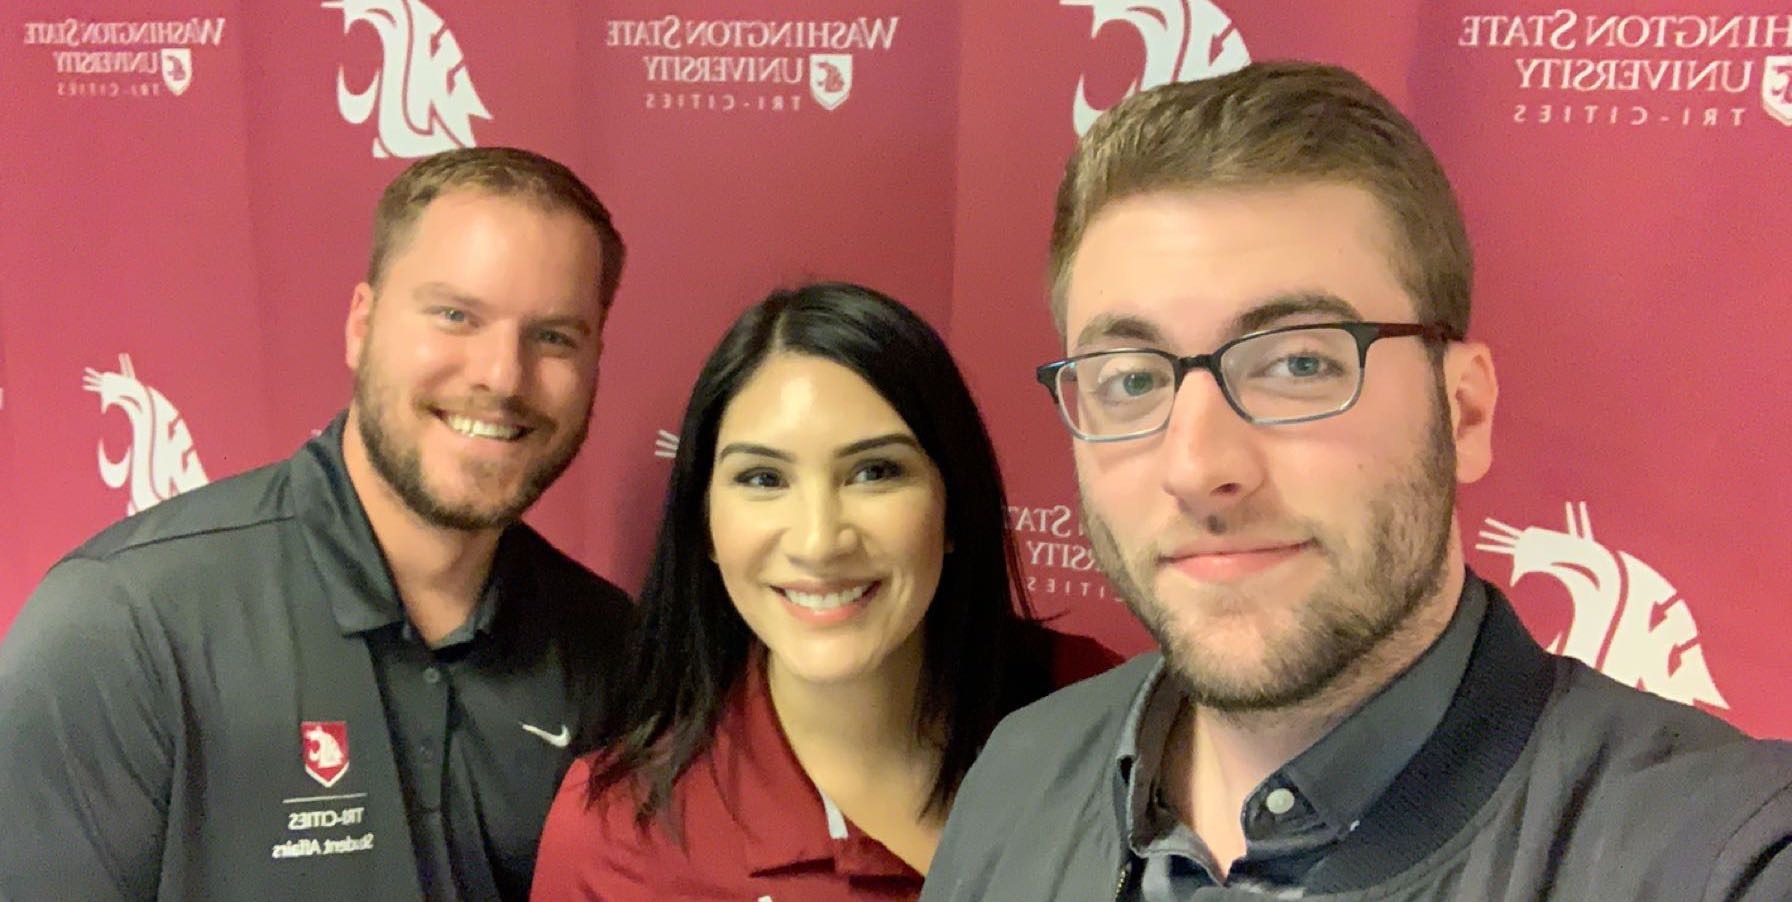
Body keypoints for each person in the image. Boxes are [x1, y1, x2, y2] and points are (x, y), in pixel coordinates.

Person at [921, 61, 1792, 900]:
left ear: (1464, 414)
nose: (1197, 468)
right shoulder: (1020, 774)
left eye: (1298, 363)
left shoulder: (1720, 853)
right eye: (1133, 380)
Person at [0, 147, 635, 900]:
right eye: (455, 315)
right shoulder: (124, 626)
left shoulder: (606, 646)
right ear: (361, 325)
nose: (502, 375)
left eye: (555, 336)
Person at [529, 282, 1118, 900]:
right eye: (762, 478)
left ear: (953, 506)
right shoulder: (618, 833)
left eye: (875, 472)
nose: (819, 541)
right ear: (703, 522)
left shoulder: (1098, 713)